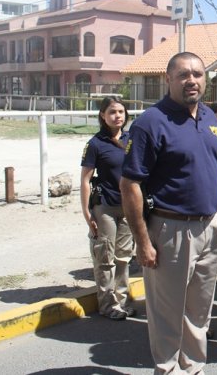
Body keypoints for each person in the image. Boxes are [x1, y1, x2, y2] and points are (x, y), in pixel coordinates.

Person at [120, 52, 217, 374]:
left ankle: (193, 368)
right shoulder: (151, 122)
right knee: (167, 315)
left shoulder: (209, 117)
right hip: (171, 230)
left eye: (197, 74)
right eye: (183, 75)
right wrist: (142, 240)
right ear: (168, 79)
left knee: (199, 313)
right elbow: (130, 184)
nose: (191, 80)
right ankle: (167, 369)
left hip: (209, 226)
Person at [80, 96, 135, 321]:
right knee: (105, 258)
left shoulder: (132, 139)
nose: (117, 116)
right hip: (105, 207)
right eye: (112, 112)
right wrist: (86, 212)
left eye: (121, 111)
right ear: (103, 115)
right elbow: (85, 180)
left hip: (129, 207)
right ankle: (107, 304)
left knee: (123, 258)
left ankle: (121, 302)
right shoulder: (95, 143)